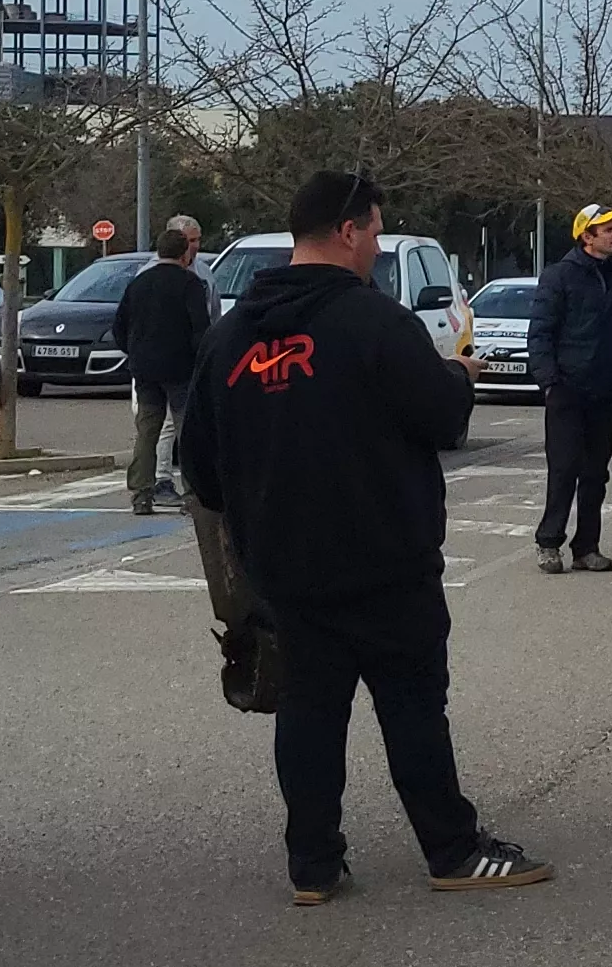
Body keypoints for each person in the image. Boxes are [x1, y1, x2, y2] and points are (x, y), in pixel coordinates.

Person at [183, 170, 549, 904]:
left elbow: (199, 465)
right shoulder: (375, 323)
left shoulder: (229, 338)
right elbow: (440, 415)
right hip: (385, 554)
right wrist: (459, 376)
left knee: (309, 712)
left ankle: (312, 865)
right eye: (376, 231)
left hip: (284, 565)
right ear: (348, 230)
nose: (377, 246)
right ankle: (450, 849)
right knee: (412, 706)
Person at [529, 203, 612, 573]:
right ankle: (549, 542)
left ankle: (586, 546)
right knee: (563, 469)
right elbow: (540, 331)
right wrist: (549, 382)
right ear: (586, 236)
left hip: (605, 391)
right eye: (607, 229)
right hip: (567, 390)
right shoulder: (559, 276)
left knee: (596, 473)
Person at [113, 217, 212, 516]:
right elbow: (201, 328)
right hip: (180, 369)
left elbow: (119, 326)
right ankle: (193, 495)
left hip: (144, 369)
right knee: (187, 430)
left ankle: (141, 494)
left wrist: (134, 351)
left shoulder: (139, 283)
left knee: (147, 431)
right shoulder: (191, 283)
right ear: (185, 255)